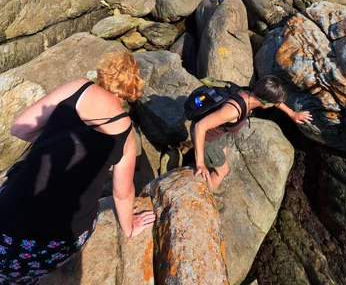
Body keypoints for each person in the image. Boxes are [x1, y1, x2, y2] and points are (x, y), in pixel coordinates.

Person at [0, 51, 155, 284]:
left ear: (103, 71)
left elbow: (20, 128)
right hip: (56, 244)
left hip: (5, 226)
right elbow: (122, 194)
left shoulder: (78, 88)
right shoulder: (126, 132)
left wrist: (59, 142)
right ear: (133, 88)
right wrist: (129, 227)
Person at [193, 76, 312, 192]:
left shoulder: (251, 91)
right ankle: (203, 199)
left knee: (219, 162)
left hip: (218, 132)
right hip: (207, 138)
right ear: (266, 103)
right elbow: (200, 127)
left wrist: (292, 114)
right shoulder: (233, 110)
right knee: (222, 171)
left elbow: (275, 101)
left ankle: (206, 179)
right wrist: (200, 164)